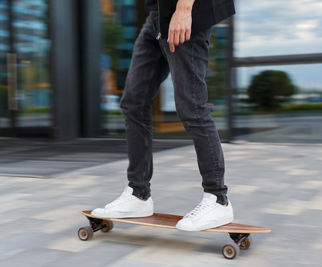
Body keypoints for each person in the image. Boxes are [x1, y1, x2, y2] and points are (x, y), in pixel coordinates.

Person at [92, 0, 236, 231]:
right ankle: (138, 194)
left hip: (185, 12)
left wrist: (184, 9)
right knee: (134, 103)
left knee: (192, 108)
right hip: (158, 15)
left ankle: (218, 199)